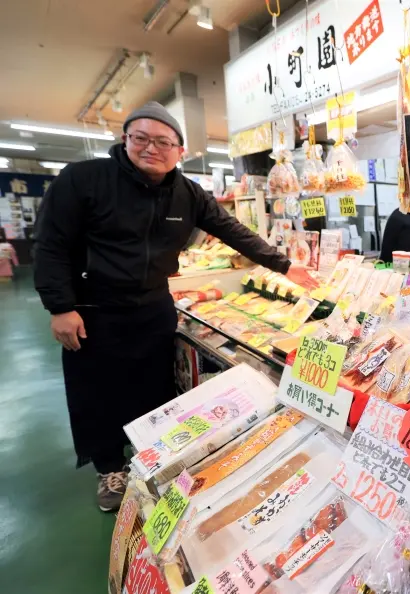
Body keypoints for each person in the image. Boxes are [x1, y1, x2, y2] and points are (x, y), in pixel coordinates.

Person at [33, 102, 318, 512]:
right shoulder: (85, 180)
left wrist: (284, 264)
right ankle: (110, 468)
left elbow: (230, 228)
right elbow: (51, 243)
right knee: (96, 392)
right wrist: (59, 307)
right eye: (141, 138)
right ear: (125, 139)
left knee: (155, 388)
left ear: (179, 150)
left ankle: (153, 458)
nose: (152, 148)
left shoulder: (187, 193)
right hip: (93, 308)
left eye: (164, 141)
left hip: (153, 305)